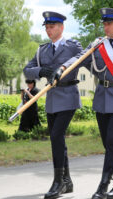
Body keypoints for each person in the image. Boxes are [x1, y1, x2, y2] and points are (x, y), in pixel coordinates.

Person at [63, 8, 113, 199]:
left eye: (109, 23)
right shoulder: (98, 44)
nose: (105, 27)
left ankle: (103, 185)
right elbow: (81, 58)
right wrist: (64, 66)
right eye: (104, 23)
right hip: (101, 98)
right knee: (109, 144)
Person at [23, 11, 83, 199]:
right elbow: (27, 70)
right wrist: (40, 71)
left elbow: (83, 56)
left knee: (56, 136)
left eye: (52, 27)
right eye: (47, 27)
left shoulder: (73, 46)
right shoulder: (42, 50)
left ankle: (57, 183)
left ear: (61, 27)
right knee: (58, 140)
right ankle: (67, 180)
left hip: (68, 97)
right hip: (51, 99)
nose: (49, 30)